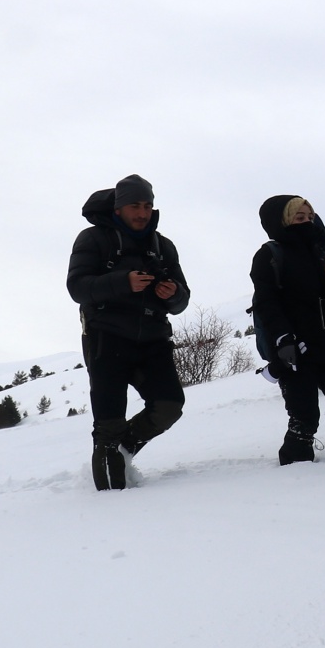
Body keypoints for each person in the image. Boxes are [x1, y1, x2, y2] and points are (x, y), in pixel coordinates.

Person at [66, 174, 190, 490]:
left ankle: (123, 449)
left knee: (168, 407)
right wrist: (123, 282)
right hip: (107, 339)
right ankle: (110, 500)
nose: (142, 212)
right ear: (118, 208)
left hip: (154, 340)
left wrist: (173, 293)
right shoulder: (93, 239)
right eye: (135, 205)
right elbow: (77, 287)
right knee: (108, 426)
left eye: (147, 205)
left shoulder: (163, 246)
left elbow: (182, 300)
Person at [250, 196, 325, 464]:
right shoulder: (269, 256)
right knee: (304, 417)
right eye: (299, 217)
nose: (307, 222)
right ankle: (296, 474)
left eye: (309, 217)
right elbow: (266, 303)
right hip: (296, 348)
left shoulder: (321, 251)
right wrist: (283, 339)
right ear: (282, 221)